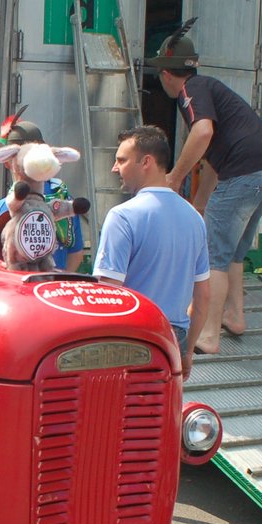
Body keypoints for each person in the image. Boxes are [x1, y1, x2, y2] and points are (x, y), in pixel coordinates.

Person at [149, 32, 262, 354]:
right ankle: (234, 316)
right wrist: (199, 202)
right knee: (234, 252)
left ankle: (207, 335)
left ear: (167, 75)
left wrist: (174, 177)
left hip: (245, 175)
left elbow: (203, 132)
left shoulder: (190, 92)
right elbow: (213, 157)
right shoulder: (208, 88)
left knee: (213, 256)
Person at [93, 125, 211, 377]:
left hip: (132, 338)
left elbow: (108, 296)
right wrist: (187, 352)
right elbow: (202, 298)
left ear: (146, 162)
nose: (115, 168)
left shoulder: (122, 216)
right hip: (173, 339)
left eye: (121, 160)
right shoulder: (194, 218)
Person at [0, 117, 86, 269]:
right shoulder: (63, 199)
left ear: (9, 161)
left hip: (19, 288)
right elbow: (76, 252)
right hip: (51, 287)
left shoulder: (7, 206)